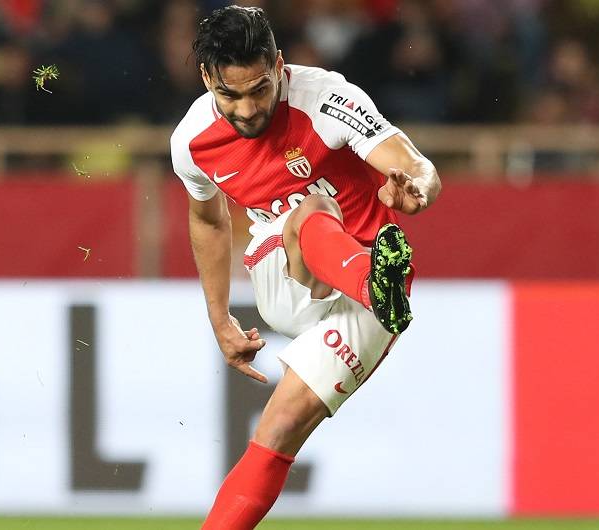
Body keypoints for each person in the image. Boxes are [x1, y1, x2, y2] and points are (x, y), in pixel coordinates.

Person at [169, 6, 441, 529]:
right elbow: (208, 219)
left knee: (278, 432)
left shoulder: (327, 98)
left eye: (259, 89)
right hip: (288, 273)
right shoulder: (191, 141)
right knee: (314, 208)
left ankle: (375, 288)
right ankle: (374, 285)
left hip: (370, 293)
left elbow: (414, 165)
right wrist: (219, 318)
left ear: (279, 65)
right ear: (206, 79)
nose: (248, 109)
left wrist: (417, 188)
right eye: (230, 95)